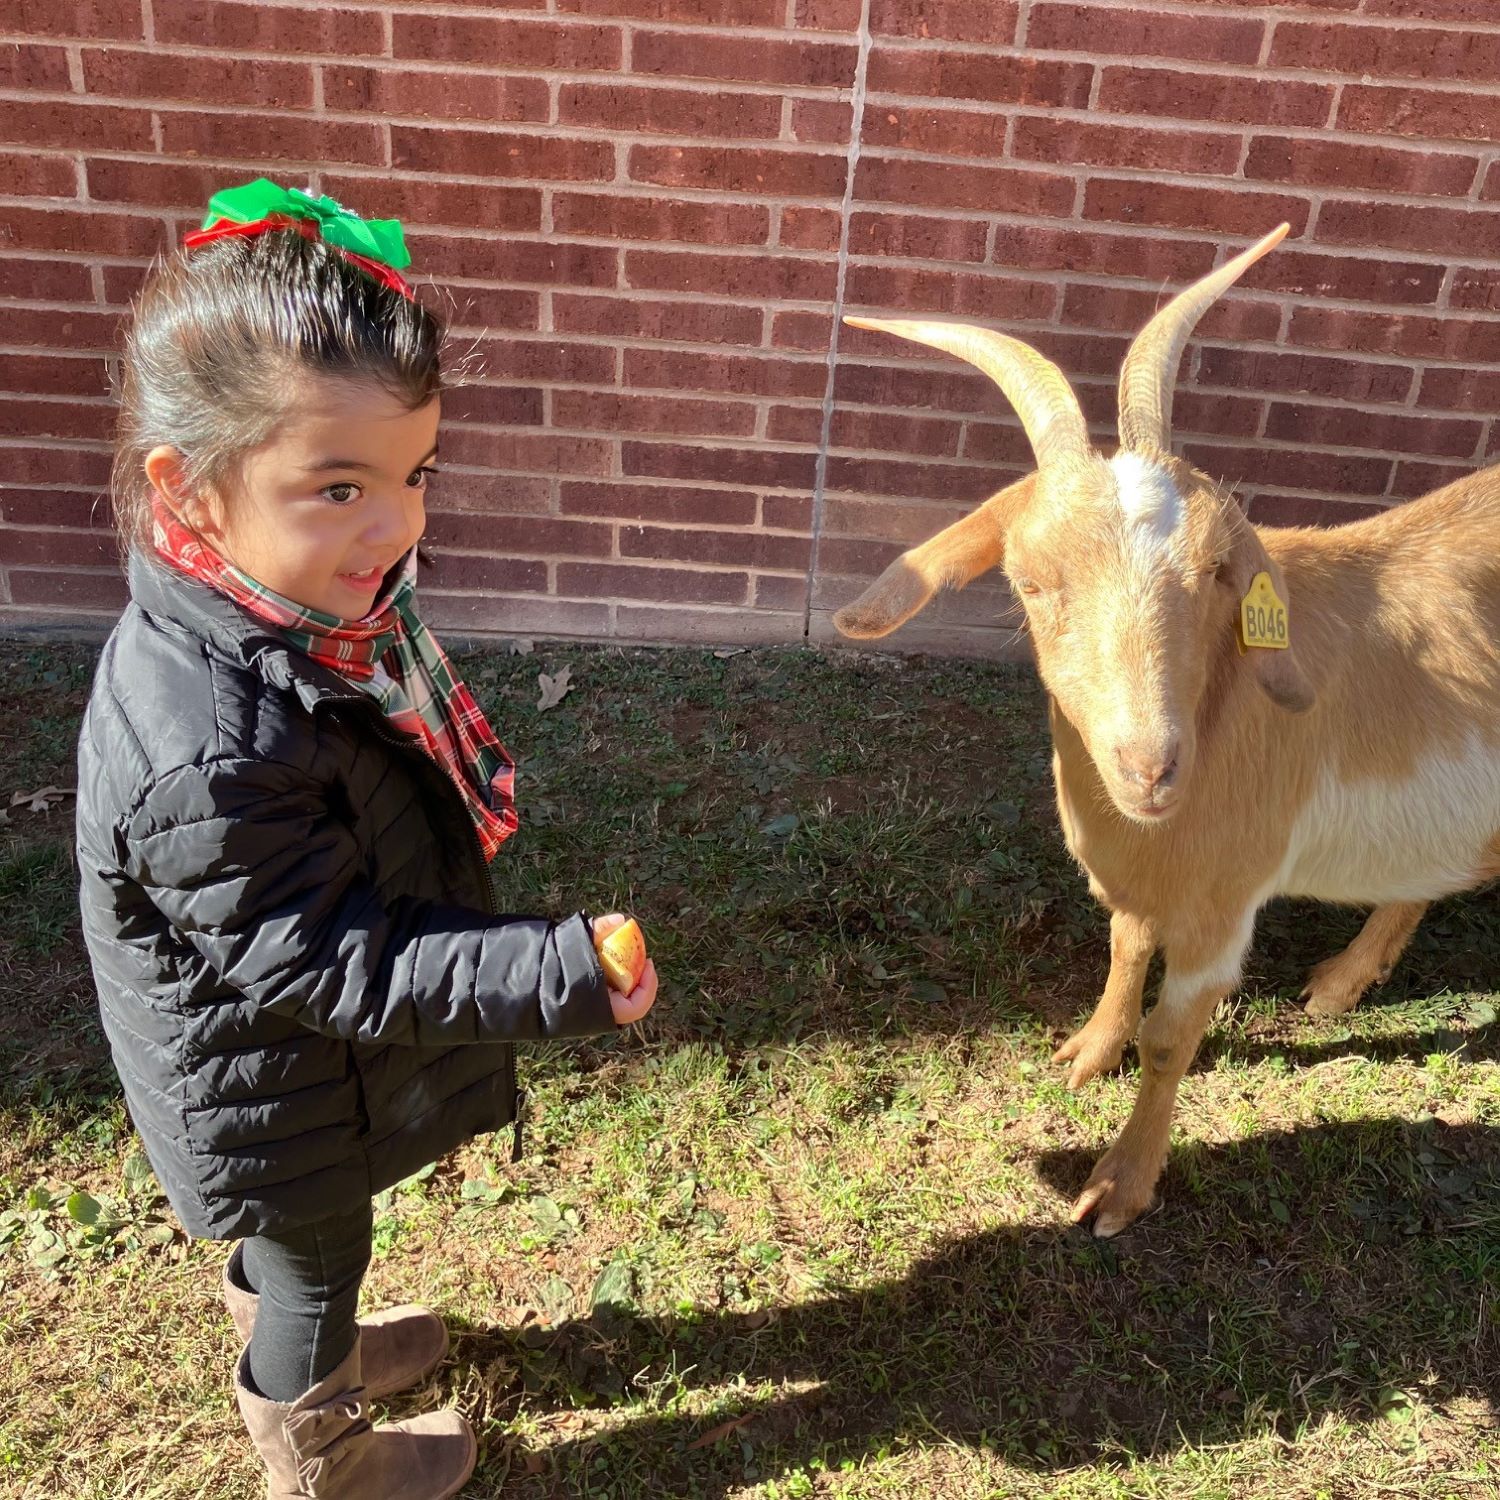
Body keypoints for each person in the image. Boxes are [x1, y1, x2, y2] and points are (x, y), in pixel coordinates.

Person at [74, 178, 658, 1499]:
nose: (395, 526)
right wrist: (548, 973)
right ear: (194, 489)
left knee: (302, 1248)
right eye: (337, 486)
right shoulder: (209, 748)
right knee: (314, 1255)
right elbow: (333, 959)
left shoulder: (278, 622)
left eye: (413, 474)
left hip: (279, 1079)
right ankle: (316, 1445)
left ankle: (300, 1324)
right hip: (265, 1095)